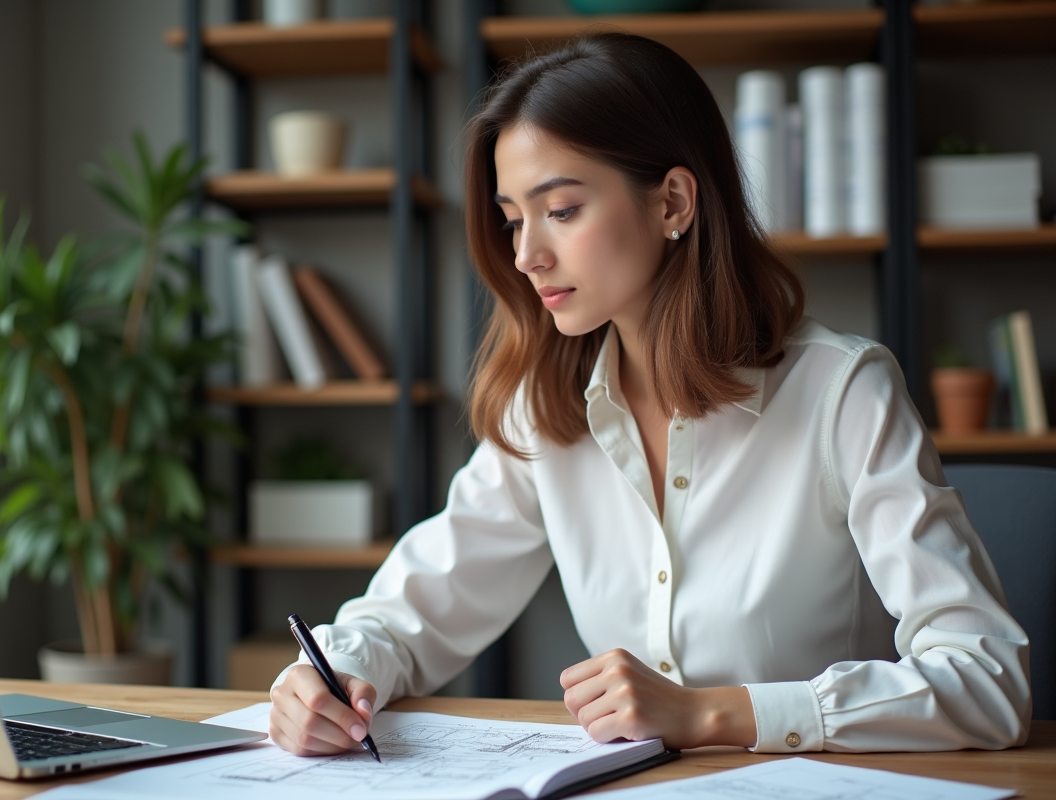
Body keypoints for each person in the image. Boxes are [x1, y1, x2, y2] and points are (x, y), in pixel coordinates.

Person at [268, 33, 1030, 756]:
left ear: (672, 203)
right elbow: (413, 614)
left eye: (562, 210)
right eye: (511, 220)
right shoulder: (547, 407)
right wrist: (323, 677)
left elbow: (988, 681)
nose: (527, 255)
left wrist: (709, 713)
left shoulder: (842, 391)